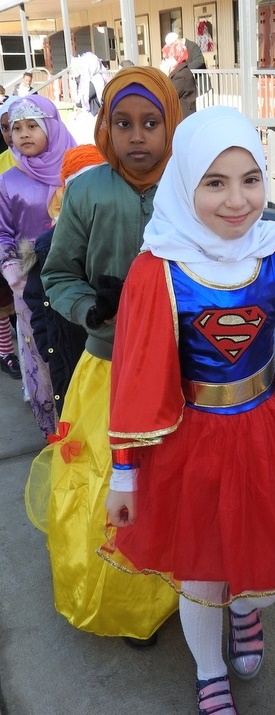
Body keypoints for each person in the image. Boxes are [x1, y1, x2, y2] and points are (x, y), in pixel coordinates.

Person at [102, 105, 275, 715]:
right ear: (185, 186)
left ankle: (247, 611)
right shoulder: (161, 268)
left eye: (249, 179)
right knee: (203, 569)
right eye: (214, 183)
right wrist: (124, 470)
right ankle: (209, 672)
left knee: (262, 546)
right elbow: (137, 378)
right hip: (190, 441)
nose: (237, 201)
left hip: (265, 433)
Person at [25, 67, 182, 642]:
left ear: (172, 127)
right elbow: (58, 274)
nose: (137, 136)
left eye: (150, 123)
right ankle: (121, 603)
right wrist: (93, 309)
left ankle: (188, 594)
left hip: (179, 372)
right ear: (105, 128)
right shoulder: (88, 192)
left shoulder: (191, 187)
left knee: (173, 483)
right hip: (108, 367)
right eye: (123, 124)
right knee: (109, 484)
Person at [0, 95, 77, 435]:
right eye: (17, 128)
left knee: (73, 350)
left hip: (74, 281)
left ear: (52, 127)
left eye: (33, 126)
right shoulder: (8, 181)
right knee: (39, 355)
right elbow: (2, 232)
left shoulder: (74, 171)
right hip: (28, 285)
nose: (24, 134)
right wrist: (13, 271)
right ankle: (52, 431)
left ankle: (82, 423)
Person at [22, 145, 105, 416]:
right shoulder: (48, 246)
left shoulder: (124, 236)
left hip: (109, 357)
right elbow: (37, 300)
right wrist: (49, 348)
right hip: (69, 359)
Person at [0, 96, 19, 379]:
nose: (13, 134)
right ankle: (5, 351)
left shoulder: (53, 155)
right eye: (5, 127)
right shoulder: (3, 161)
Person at [166, 38, 197, 118]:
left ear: (176, 58)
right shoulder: (181, 71)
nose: (166, 61)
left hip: (183, 117)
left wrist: (164, 74)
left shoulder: (181, 75)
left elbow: (167, 96)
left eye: (168, 58)